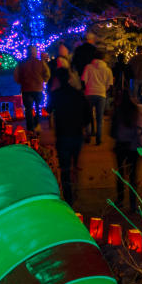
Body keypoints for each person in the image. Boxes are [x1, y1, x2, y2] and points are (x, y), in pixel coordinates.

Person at [48, 67, 87, 205]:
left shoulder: (56, 94)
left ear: (58, 79)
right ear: (69, 78)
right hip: (76, 133)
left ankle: (69, 197)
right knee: (75, 163)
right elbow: (87, 113)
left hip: (63, 134)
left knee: (64, 167)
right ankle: (76, 186)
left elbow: (48, 109)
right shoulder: (78, 94)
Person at [110, 90, 141, 212]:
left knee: (120, 174)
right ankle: (133, 204)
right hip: (133, 146)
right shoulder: (134, 109)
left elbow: (112, 131)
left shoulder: (118, 111)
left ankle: (120, 199)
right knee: (133, 176)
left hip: (121, 145)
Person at [13, 45, 50, 132]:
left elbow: (16, 75)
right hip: (38, 88)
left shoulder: (21, 63)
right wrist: (43, 81)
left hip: (26, 88)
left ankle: (30, 128)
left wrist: (21, 82)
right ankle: (37, 125)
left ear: (27, 52)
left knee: (28, 109)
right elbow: (47, 74)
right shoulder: (40, 63)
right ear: (35, 52)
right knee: (37, 107)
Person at [82, 52, 114, 146]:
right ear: (103, 59)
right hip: (101, 94)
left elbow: (84, 80)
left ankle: (88, 136)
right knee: (100, 118)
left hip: (89, 93)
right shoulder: (107, 69)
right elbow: (109, 84)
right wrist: (103, 89)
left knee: (88, 115)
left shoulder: (88, 67)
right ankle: (98, 138)